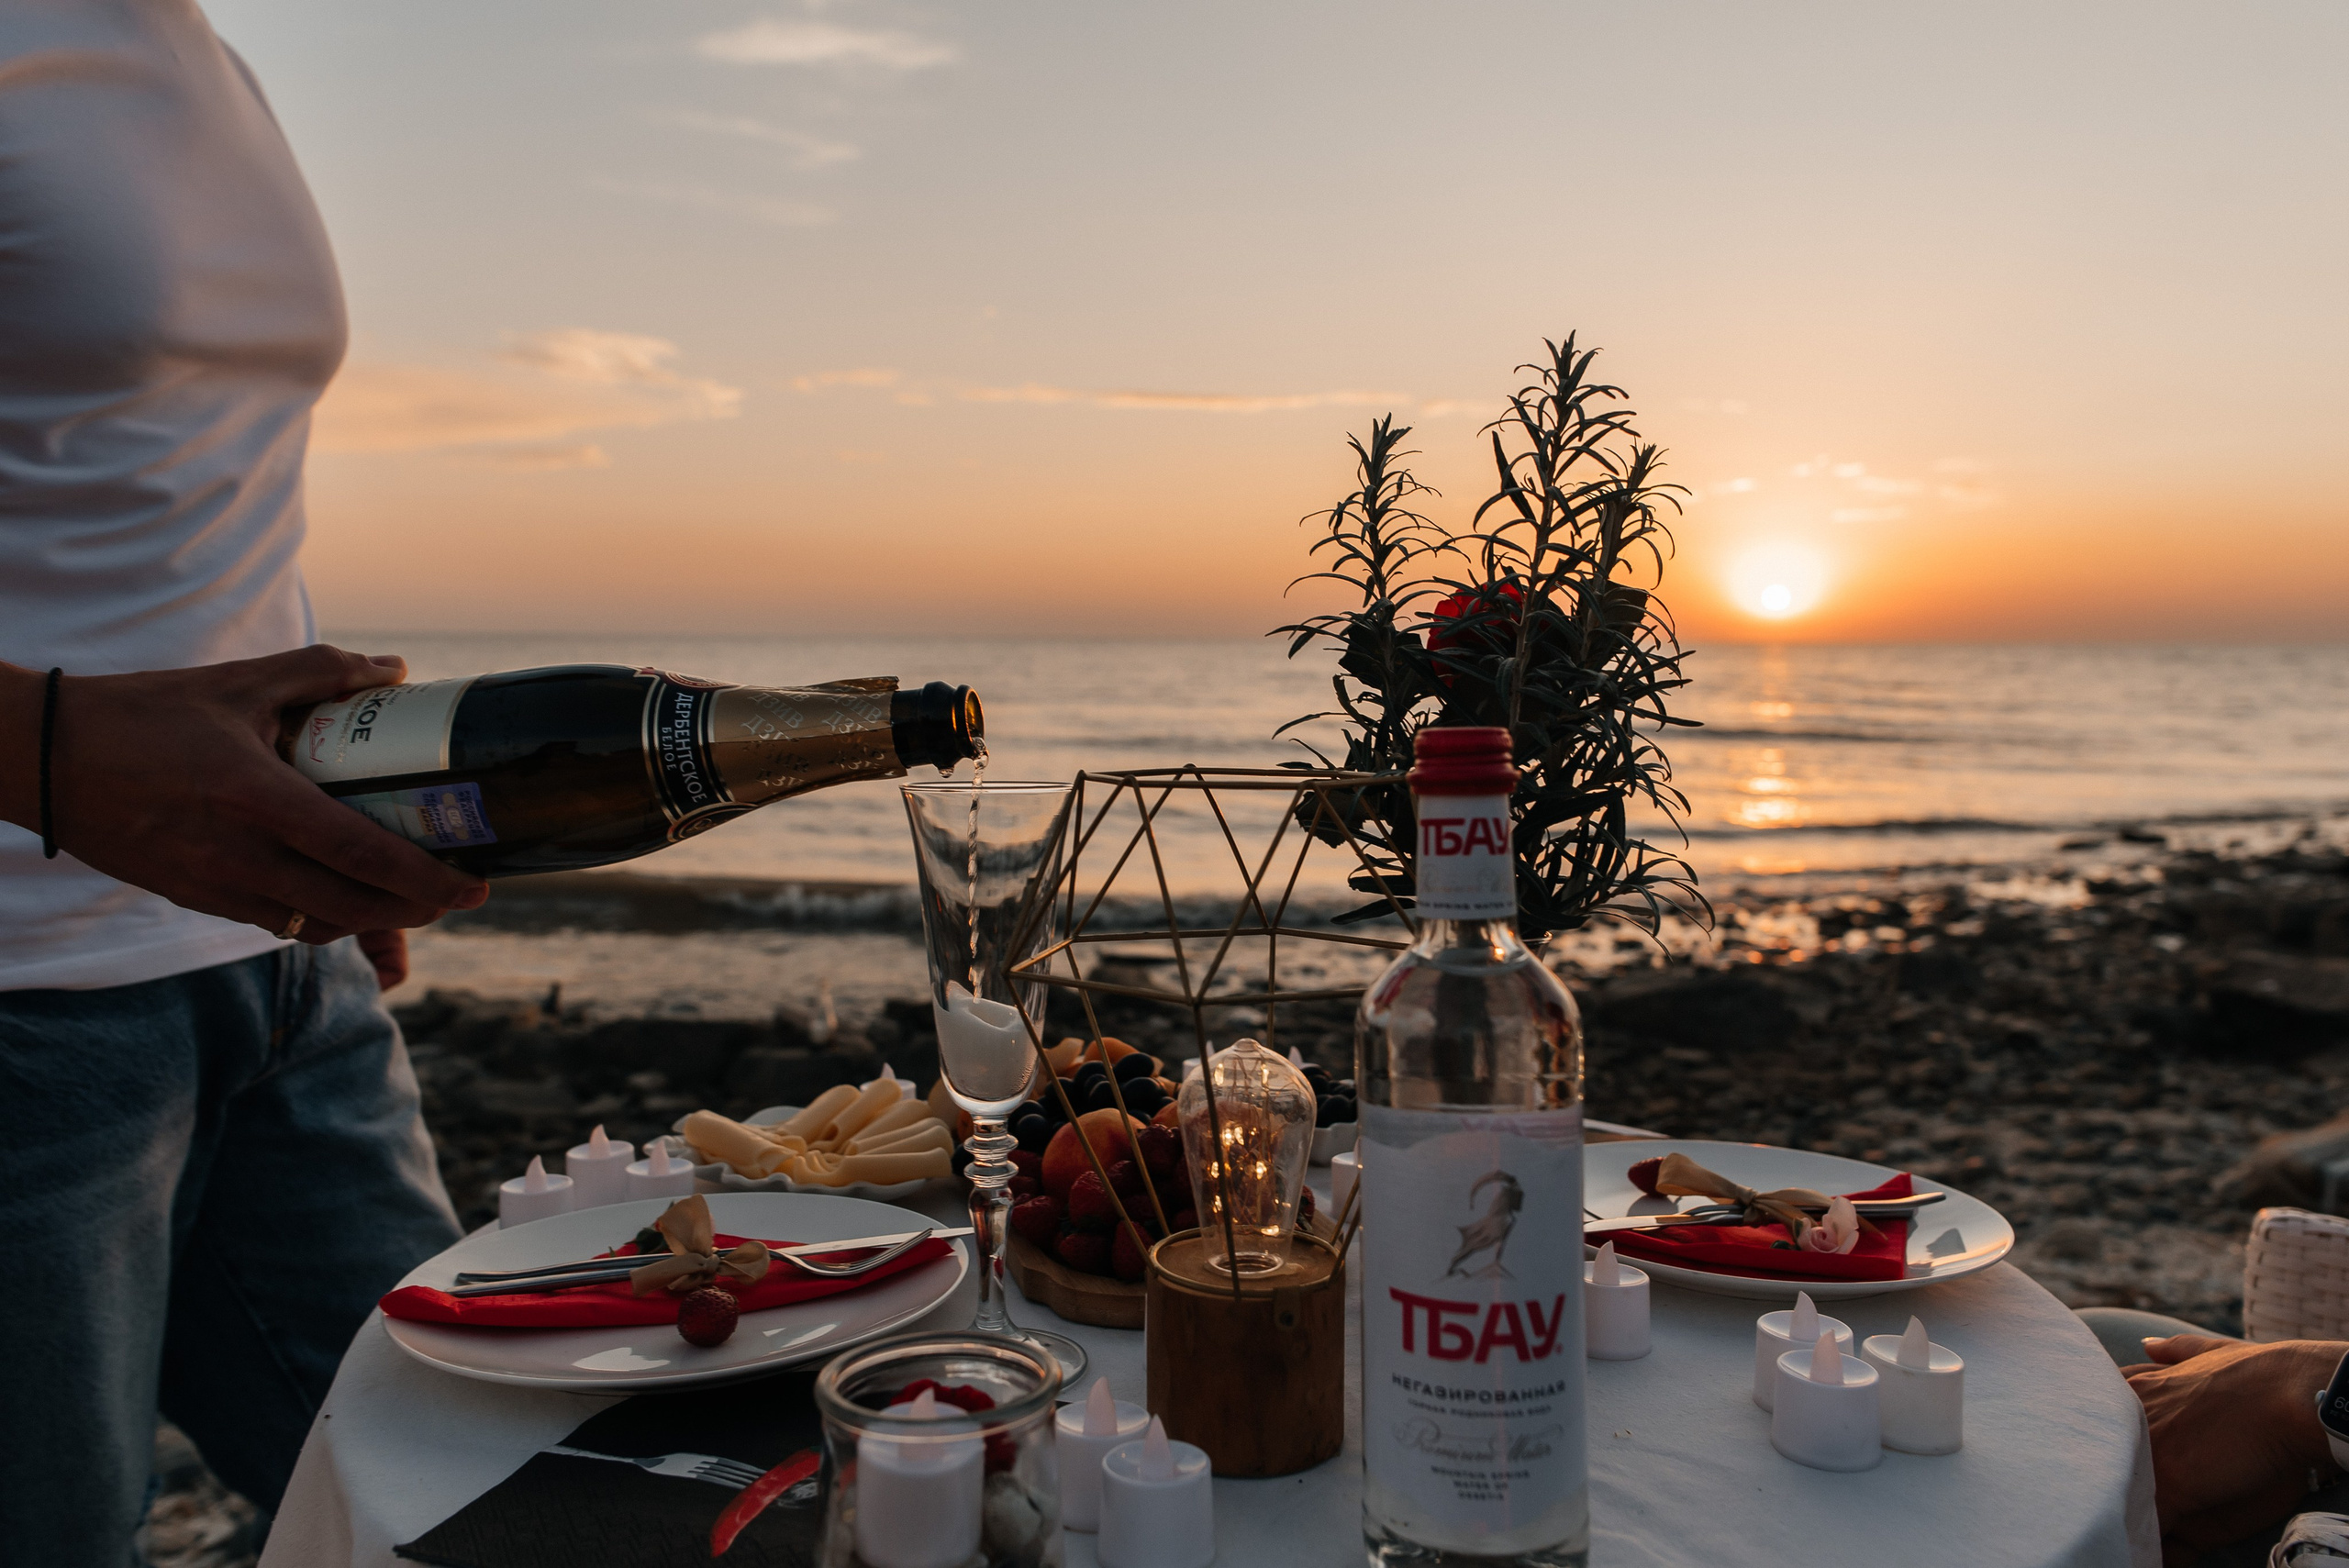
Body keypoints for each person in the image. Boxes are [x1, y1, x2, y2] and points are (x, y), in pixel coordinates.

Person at [0, 4, 487, 1563]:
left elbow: (180, 484)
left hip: (283, 988)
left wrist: (310, 809)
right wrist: (49, 752)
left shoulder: (196, 51)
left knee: (477, 1510)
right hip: (25, 1000)